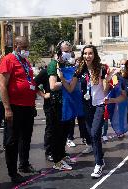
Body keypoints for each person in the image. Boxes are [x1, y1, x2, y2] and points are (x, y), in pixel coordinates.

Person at [58, 44, 113, 178]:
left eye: (90, 53)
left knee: (94, 133)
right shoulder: (79, 70)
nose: (87, 56)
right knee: (92, 135)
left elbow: (106, 90)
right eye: (85, 53)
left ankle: (98, 164)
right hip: (86, 105)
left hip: (99, 104)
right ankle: (100, 159)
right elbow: (71, 88)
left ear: (94, 55)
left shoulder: (101, 69)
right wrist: (62, 79)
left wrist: (108, 80)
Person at [0, 36, 38, 183]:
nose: (26, 50)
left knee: (26, 138)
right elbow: (2, 85)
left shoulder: (25, 61)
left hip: (27, 107)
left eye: (27, 47)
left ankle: (24, 164)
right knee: (12, 141)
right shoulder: (8, 59)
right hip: (14, 106)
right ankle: (12, 172)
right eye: (24, 47)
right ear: (16, 45)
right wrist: (7, 108)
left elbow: (30, 82)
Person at [47, 41, 76, 171]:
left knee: (64, 131)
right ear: (59, 52)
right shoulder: (54, 65)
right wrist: (67, 82)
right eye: (65, 51)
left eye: (69, 51)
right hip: (57, 103)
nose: (67, 53)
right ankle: (57, 160)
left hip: (66, 103)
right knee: (57, 132)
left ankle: (62, 155)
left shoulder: (67, 64)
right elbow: (53, 86)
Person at [34, 67, 53, 162]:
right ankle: (49, 152)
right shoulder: (46, 71)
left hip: (64, 104)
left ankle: (60, 151)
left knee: (62, 129)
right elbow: (33, 84)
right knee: (51, 128)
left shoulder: (65, 70)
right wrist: (43, 95)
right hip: (50, 105)